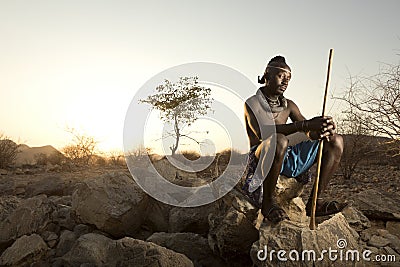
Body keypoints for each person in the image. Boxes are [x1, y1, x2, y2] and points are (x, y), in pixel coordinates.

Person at [243, 55, 348, 223]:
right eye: (280, 76)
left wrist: (320, 128)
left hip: (285, 156)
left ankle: (315, 203)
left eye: (288, 79)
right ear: (267, 76)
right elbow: (264, 134)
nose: (285, 82)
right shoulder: (252, 103)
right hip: (262, 157)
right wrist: (305, 125)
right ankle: (268, 202)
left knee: (335, 140)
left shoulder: (289, 105)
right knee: (279, 140)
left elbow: (308, 133)